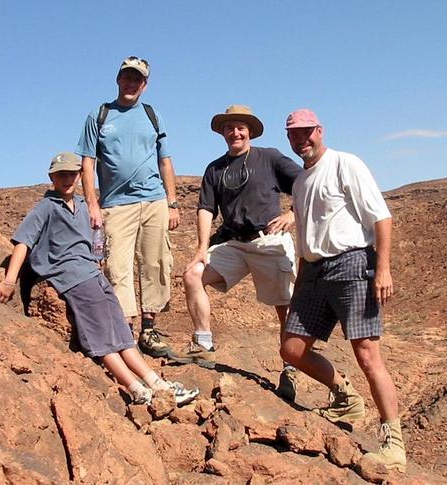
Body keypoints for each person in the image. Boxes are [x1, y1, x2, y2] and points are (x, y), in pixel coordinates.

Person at [0, 152, 198, 407]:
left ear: (79, 176)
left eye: (71, 174)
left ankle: (157, 383)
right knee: (101, 335)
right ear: (51, 177)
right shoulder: (46, 207)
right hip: (72, 277)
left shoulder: (81, 205)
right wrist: (10, 280)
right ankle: (136, 388)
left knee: (121, 331)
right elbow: (23, 241)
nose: (67, 179)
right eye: (61, 174)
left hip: (93, 274)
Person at [281, 109, 406, 472]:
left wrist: (382, 269)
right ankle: (345, 396)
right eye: (294, 134)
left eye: (307, 132)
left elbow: (381, 216)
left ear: (320, 131)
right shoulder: (301, 183)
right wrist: (301, 281)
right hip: (315, 270)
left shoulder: (345, 163)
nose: (301, 139)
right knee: (291, 349)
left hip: (352, 263)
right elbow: (305, 236)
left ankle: (393, 441)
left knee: (368, 356)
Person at [170, 105, 302, 401]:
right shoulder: (215, 169)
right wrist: (201, 248)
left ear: (250, 131)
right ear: (223, 133)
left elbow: (305, 184)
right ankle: (203, 345)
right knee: (193, 274)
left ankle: (290, 369)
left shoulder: (269, 157)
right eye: (229, 128)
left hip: (268, 242)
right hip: (234, 243)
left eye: (241, 127)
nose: (235, 132)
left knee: (285, 308)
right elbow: (205, 208)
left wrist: (293, 215)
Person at [75, 56, 179, 358]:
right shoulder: (100, 115)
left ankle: (149, 328)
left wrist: (172, 203)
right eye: (127, 77)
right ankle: (125, 331)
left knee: (156, 263)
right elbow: (87, 162)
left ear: (144, 85)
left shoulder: (152, 115)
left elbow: (165, 160)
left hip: (154, 200)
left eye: (138, 79)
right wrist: (92, 203)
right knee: (117, 267)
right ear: (118, 80)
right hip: (116, 205)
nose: (131, 83)